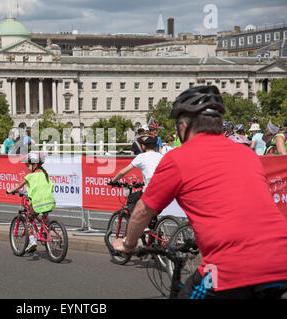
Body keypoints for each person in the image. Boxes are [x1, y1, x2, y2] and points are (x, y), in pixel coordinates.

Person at [113, 85, 287, 299]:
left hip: (232, 266)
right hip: (281, 257)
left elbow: (142, 211)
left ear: (184, 125)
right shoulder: (247, 154)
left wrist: (128, 244)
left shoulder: (178, 158)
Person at [6, 152, 56, 253]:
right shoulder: (45, 175)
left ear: (35, 165)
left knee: (29, 219)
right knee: (44, 217)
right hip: (50, 202)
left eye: (28, 165)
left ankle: (32, 240)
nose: (27, 168)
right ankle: (49, 228)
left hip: (38, 204)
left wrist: (10, 191)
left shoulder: (30, 176)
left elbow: (19, 186)